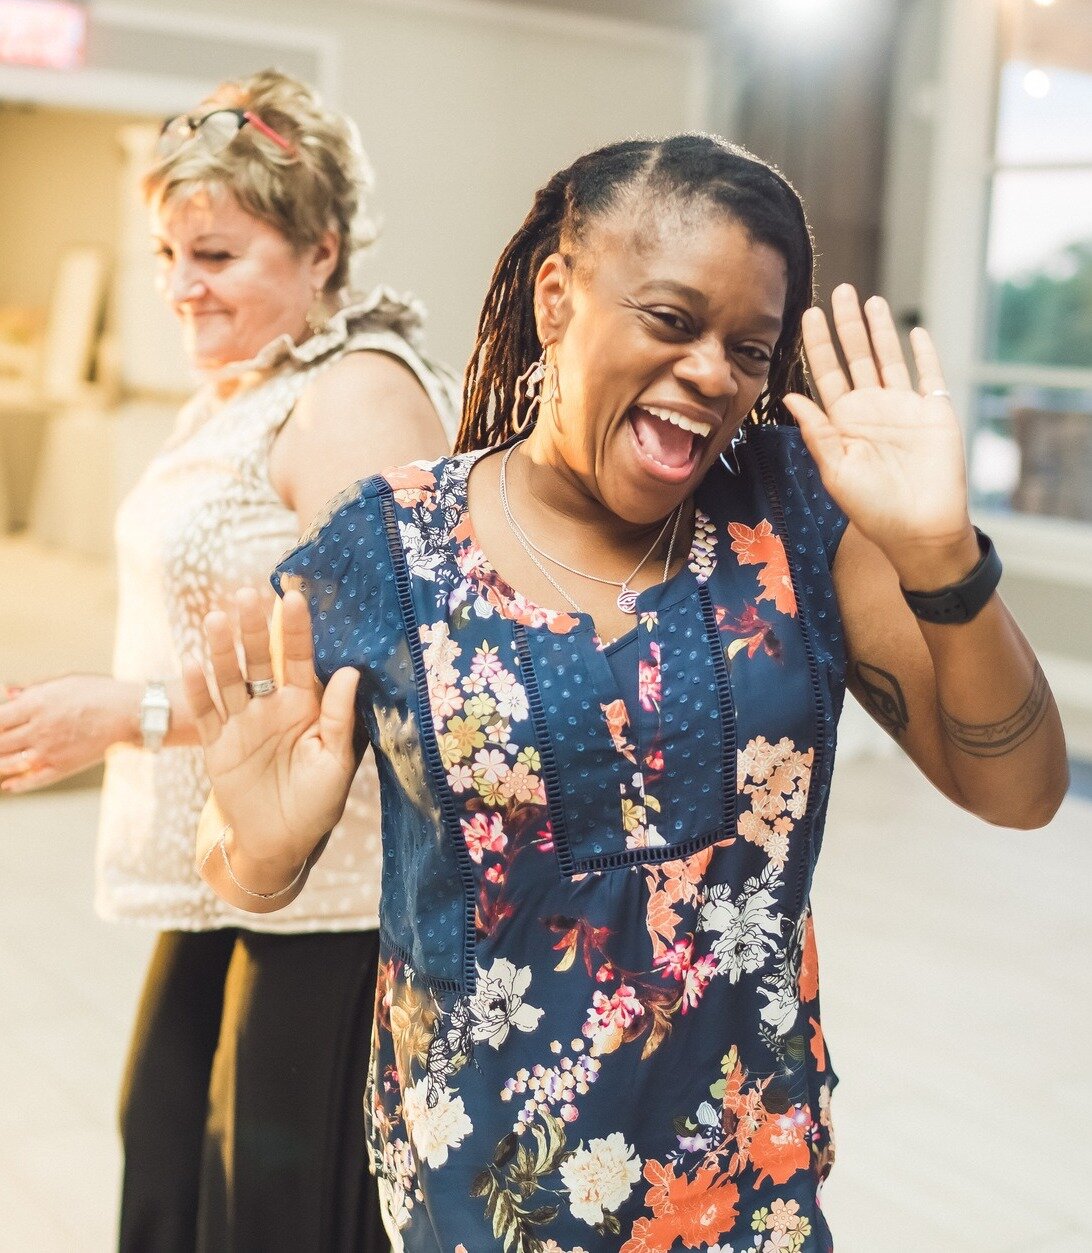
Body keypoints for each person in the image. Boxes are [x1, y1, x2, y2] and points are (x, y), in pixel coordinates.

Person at [183, 135, 1068, 1252]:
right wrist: (258, 846)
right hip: (483, 1197)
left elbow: (1022, 791)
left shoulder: (793, 516)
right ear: (558, 298)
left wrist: (943, 558)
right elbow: (241, 858)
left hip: (746, 1180)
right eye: (671, 319)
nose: (716, 372)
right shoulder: (388, 548)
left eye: (750, 347)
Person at [0, 69, 457, 1251]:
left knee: (267, 1212)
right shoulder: (254, 386)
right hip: (233, 875)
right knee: (165, 1167)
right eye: (164, 254)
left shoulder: (359, 395)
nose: (176, 289)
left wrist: (126, 714)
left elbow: (384, 677)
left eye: (213, 255)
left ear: (321, 249)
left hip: (332, 896)